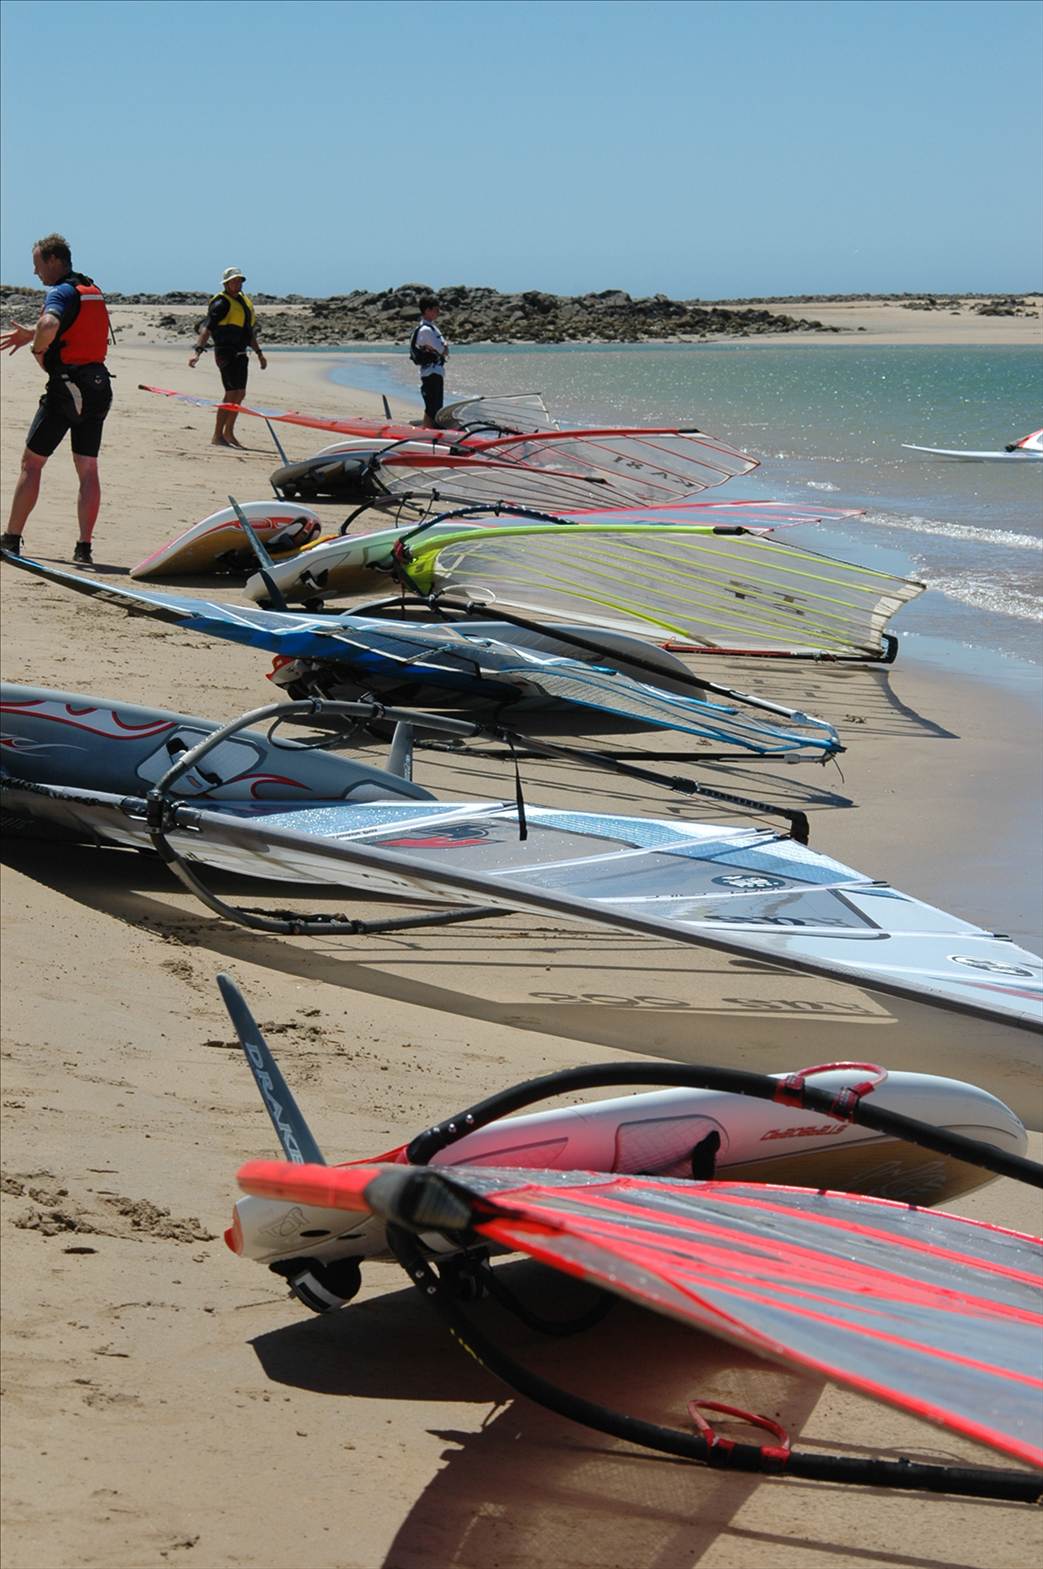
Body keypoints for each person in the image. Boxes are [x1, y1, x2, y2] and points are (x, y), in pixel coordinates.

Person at [0, 233, 113, 563]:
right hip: (98, 388)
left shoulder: (61, 292)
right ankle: (84, 548)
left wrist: (37, 348)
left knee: (32, 463)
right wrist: (31, 334)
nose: (35, 272)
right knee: (87, 468)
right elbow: (78, 331)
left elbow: (50, 324)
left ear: (54, 260)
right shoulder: (91, 289)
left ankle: (11, 539)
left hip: (67, 390)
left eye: (38, 265)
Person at [189, 267, 266, 447]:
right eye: (234, 281)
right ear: (226, 284)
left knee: (240, 393)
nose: (238, 284)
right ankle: (217, 435)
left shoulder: (242, 303)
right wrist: (197, 353)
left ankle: (229, 433)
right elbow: (207, 328)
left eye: (240, 281)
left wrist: (259, 354)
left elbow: (248, 332)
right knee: (230, 393)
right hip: (225, 353)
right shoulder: (221, 303)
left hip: (241, 352)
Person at [409, 296, 448, 427]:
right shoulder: (426, 330)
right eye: (436, 310)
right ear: (427, 310)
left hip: (432, 371)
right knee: (433, 407)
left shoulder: (430, 328)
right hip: (432, 372)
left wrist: (443, 348)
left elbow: (441, 349)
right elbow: (443, 350)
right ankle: (429, 430)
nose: (438, 312)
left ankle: (427, 429)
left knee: (433, 406)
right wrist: (445, 347)